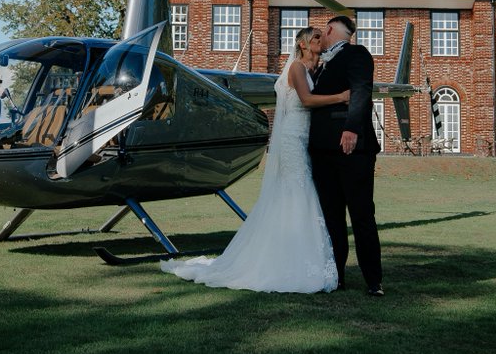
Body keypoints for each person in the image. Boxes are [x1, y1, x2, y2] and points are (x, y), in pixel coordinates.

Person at [161, 27, 350, 293]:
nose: (322, 40)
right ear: (303, 43)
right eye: (316, 37)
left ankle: (295, 255)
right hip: (292, 138)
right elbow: (307, 100)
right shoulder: (296, 68)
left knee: (299, 190)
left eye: (322, 36)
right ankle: (290, 259)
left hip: (304, 137)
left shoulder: (311, 69)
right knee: (298, 189)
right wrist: (341, 97)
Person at [309, 15, 384, 296]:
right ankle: (336, 277)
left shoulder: (357, 54)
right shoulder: (320, 65)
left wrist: (352, 128)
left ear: (329, 29)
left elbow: (361, 90)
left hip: (352, 148)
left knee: (362, 214)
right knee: (331, 216)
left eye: (322, 32)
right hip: (322, 150)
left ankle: (373, 280)